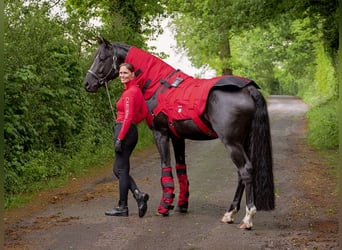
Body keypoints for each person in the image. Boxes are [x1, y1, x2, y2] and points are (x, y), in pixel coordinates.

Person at [105, 62, 149, 218]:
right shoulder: (134, 91)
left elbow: (130, 116)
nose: (122, 75)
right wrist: (131, 125)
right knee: (118, 170)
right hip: (129, 130)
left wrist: (120, 137)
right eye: (121, 73)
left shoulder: (130, 92)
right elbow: (143, 112)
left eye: (125, 73)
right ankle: (138, 194)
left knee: (121, 170)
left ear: (133, 74)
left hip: (124, 131)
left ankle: (122, 207)